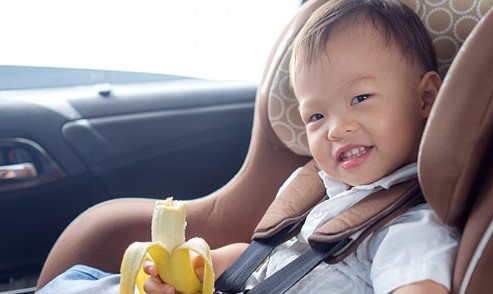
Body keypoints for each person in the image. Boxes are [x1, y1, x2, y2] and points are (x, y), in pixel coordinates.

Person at [37, 0, 459, 293]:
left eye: (360, 99)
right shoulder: (318, 188)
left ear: (425, 99)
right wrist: (206, 265)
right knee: (80, 280)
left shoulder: (411, 228)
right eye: (315, 116)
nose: (335, 128)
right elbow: (268, 259)